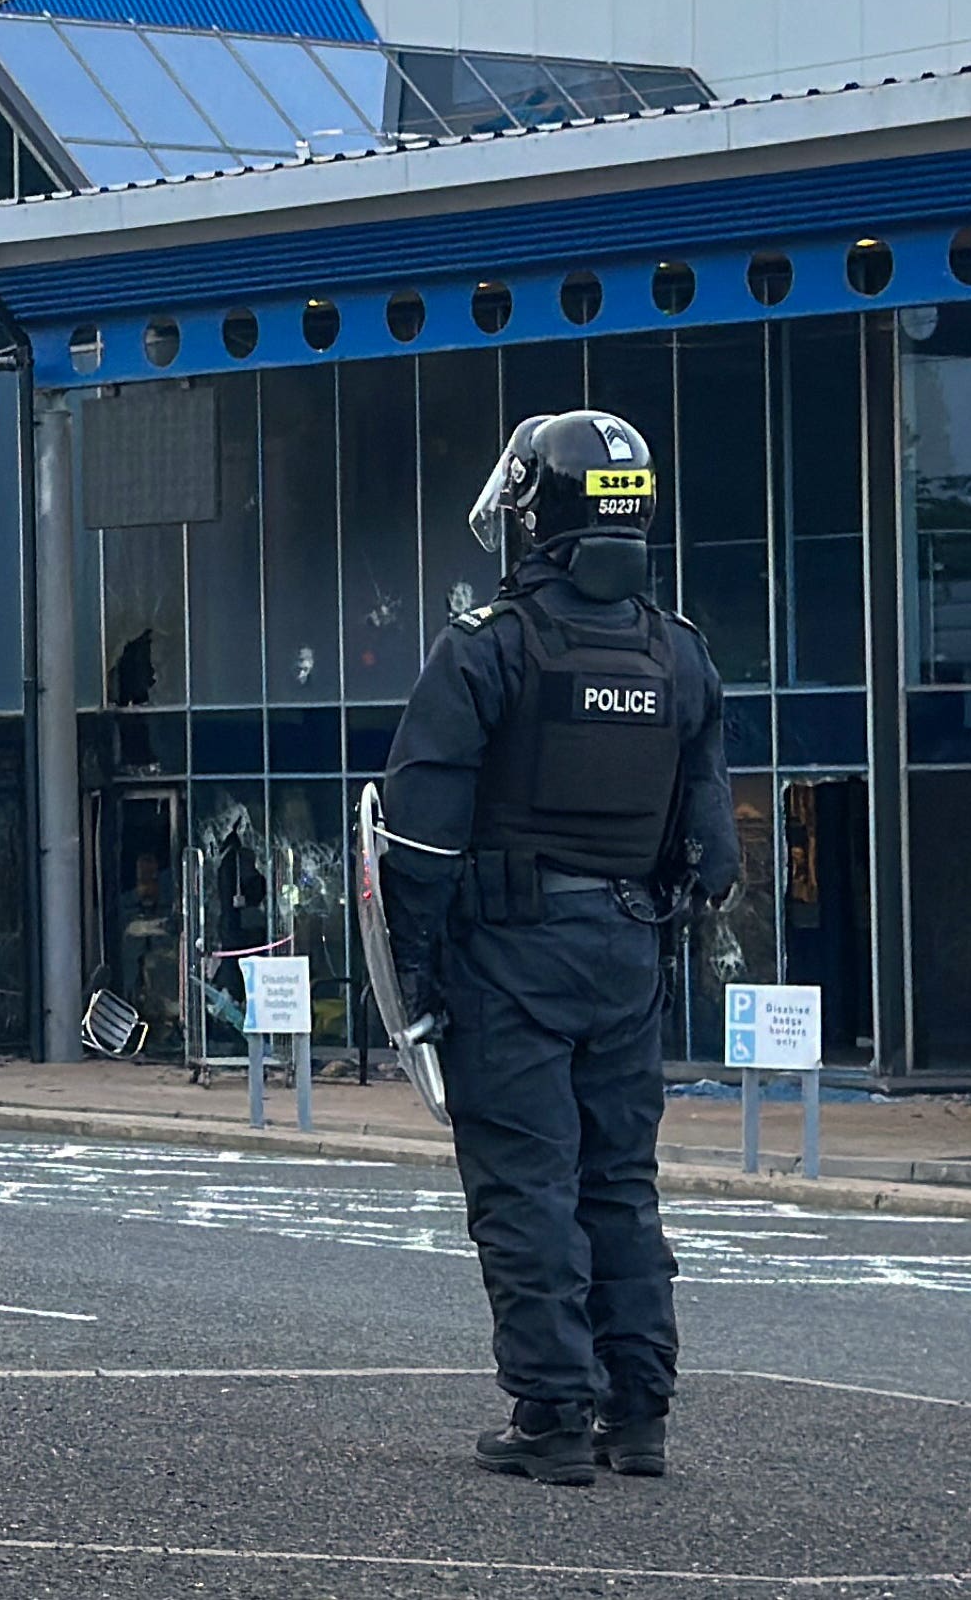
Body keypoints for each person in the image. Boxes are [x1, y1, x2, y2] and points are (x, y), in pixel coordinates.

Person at [377, 410, 737, 1485]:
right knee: (620, 1184)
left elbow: (418, 833)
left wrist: (416, 967)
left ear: (537, 513)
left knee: (527, 1184)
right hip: (630, 956)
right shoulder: (679, 655)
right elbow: (712, 849)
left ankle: (552, 1416)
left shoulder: (489, 645)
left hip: (510, 953)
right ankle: (640, 1414)